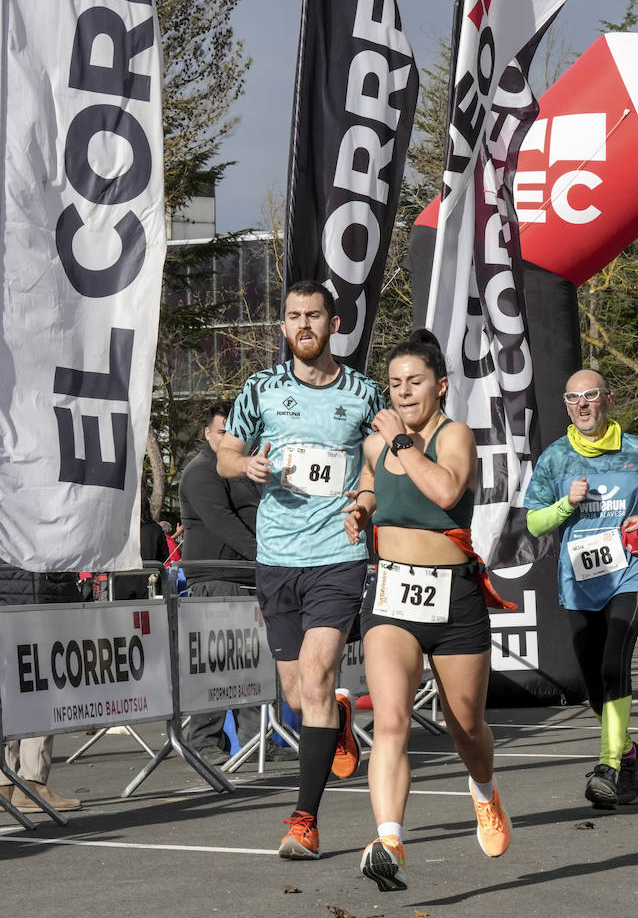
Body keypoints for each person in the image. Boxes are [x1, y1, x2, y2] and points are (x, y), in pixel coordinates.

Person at [217, 280, 385, 860]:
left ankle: (305, 820)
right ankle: (334, 717)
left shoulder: (364, 394)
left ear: (334, 324)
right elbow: (225, 453)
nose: (304, 325)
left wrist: (363, 504)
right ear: (284, 327)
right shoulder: (260, 389)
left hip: (337, 556)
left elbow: (376, 468)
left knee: (314, 678)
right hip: (277, 557)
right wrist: (248, 466)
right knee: (296, 692)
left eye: (314, 315)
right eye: (293, 317)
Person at [342, 330, 514, 891]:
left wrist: (401, 446)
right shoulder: (377, 445)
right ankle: (389, 839)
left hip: (453, 594)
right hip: (390, 595)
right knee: (390, 720)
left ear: (440, 386)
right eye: (394, 385)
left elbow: (445, 492)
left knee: (466, 727)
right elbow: (370, 487)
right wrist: (361, 511)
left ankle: (484, 792)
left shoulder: (453, 435)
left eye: (414, 382)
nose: (403, 393)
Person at [524, 369, 638, 810]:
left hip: (631, 572)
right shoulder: (555, 458)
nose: (582, 405)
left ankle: (608, 764)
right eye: (573, 399)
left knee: (613, 664)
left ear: (608, 399)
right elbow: (534, 522)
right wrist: (566, 504)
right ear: (567, 406)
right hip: (580, 580)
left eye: (590, 396)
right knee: (593, 685)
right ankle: (630, 752)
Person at [180, 400, 279, 766]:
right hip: (215, 579)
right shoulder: (201, 472)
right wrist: (266, 556)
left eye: (234, 431)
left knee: (249, 663)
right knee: (218, 664)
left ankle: (258, 738)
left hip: (244, 577)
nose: (229, 437)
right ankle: (203, 742)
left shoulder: (240, 470)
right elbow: (223, 523)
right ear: (208, 434)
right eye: (222, 431)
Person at [0, 567, 85, 814]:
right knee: (43, 682)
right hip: (38, 588)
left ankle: (2, 783)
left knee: (4, 685)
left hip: (1, 589)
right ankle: (31, 781)